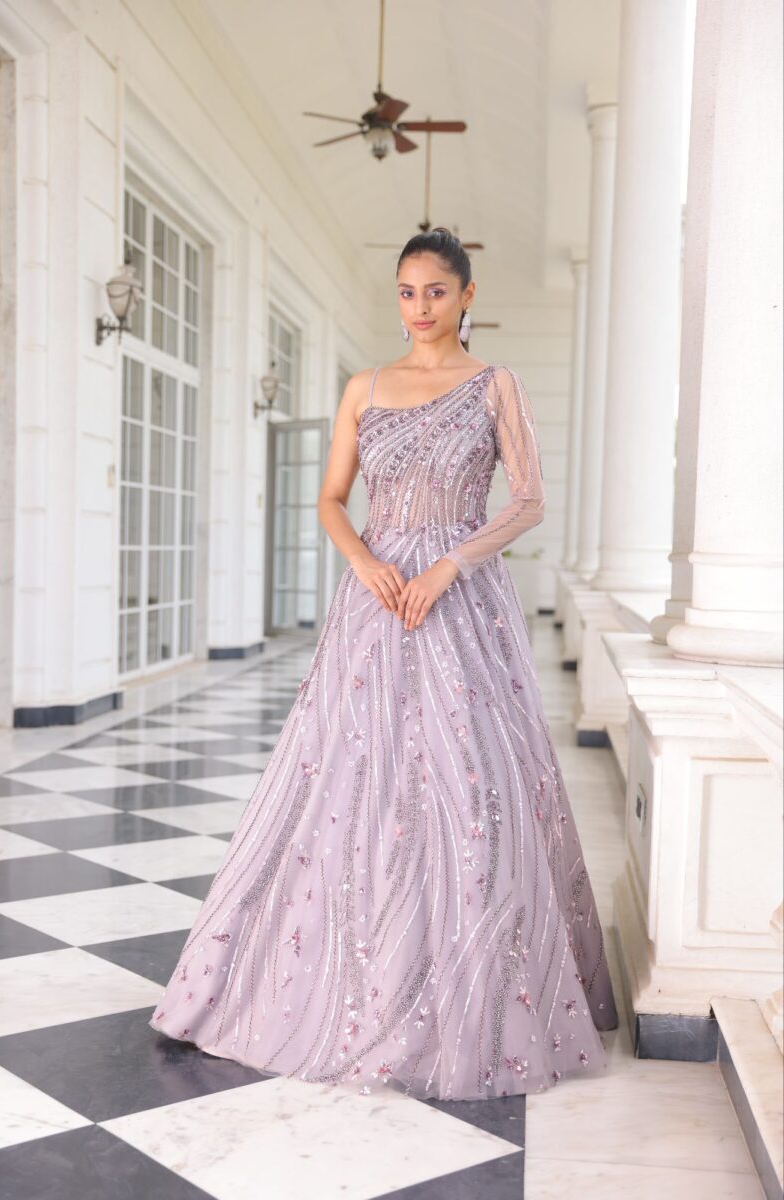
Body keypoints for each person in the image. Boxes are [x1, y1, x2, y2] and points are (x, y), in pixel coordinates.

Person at [149, 226, 619, 1100]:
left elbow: (528, 501)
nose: (419, 308)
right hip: (375, 600)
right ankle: (349, 975)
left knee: (473, 778)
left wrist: (448, 564)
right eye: (406, 292)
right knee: (348, 778)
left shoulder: (493, 386)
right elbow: (331, 498)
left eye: (436, 291)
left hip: (460, 598)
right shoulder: (364, 387)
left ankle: (469, 981)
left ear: (467, 296)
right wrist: (366, 560)